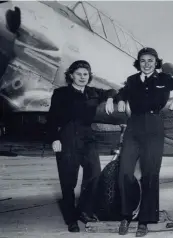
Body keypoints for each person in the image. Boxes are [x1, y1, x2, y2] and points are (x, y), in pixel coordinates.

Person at [116, 47, 173, 237]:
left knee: (150, 174)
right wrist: (120, 99)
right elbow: (122, 92)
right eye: (143, 60)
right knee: (124, 172)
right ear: (138, 63)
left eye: (150, 60)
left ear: (156, 62)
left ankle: (144, 221)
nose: (146, 64)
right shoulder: (132, 80)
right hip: (134, 127)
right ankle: (126, 214)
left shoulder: (164, 79)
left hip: (154, 126)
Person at [46, 60, 115, 232]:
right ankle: (71, 219)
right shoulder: (61, 93)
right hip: (67, 137)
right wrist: (55, 139)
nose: (82, 77)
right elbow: (52, 118)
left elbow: (113, 91)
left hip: (88, 138)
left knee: (94, 174)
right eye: (79, 74)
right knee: (68, 180)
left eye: (85, 74)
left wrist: (110, 99)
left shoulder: (93, 92)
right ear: (71, 75)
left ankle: (84, 210)